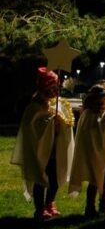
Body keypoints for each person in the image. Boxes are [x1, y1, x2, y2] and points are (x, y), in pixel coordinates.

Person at [11, 67, 75, 219]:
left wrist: (62, 127)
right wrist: (50, 124)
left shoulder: (58, 105)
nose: (55, 92)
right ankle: (40, 208)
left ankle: (50, 202)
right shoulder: (34, 107)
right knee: (41, 178)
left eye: (56, 88)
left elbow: (67, 123)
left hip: (55, 150)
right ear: (44, 89)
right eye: (51, 88)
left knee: (55, 178)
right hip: (41, 150)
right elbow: (32, 129)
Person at [69, 84, 105, 217]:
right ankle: (90, 206)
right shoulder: (88, 115)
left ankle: (104, 202)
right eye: (102, 99)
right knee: (95, 178)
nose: (104, 102)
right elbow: (90, 133)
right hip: (96, 152)